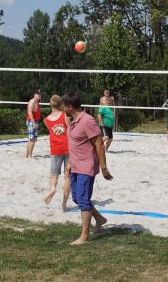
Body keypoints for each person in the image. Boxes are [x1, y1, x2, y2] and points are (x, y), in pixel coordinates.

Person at [63, 92, 113, 245]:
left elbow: (99, 144)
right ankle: (99, 218)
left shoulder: (87, 121)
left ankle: (84, 236)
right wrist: (70, 162)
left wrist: (104, 167)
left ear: (70, 107)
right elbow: (75, 144)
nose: (62, 109)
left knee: (83, 200)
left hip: (86, 166)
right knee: (77, 198)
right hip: (75, 165)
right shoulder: (73, 121)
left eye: (64, 106)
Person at [43, 95, 71, 210]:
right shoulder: (64, 115)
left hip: (55, 149)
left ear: (50, 105)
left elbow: (53, 131)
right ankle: (64, 204)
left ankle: (53, 189)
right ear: (61, 104)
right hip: (67, 148)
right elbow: (70, 130)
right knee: (68, 177)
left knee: (54, 174)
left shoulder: (46, 120)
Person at [25, 90, 41, 158]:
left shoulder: (36, 102)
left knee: (32, 139)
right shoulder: (33, 101)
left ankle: (27, 155)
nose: (40, 96)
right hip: (32, 121)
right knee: (32, 139)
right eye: (38, 94)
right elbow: (29, 112)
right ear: (35, 94)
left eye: (40, 94)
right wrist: (33, 121)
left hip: (34, 121)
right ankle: (29, 155)